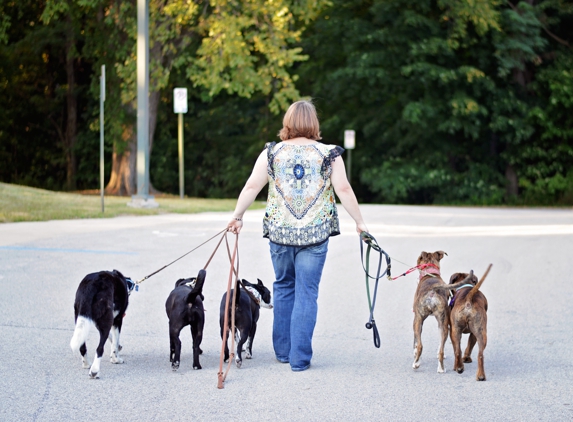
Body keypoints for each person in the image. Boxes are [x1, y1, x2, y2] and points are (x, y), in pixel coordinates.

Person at [227, 99, 368, 371]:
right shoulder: (329, 154)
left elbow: (251, 186)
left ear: (288, 122)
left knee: (283, 286)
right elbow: (344, 189)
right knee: (306, 292)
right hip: (314, 236)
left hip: (280, 235)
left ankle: (282, 352)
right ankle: (299, 359)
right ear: (314, 123)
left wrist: (237, 216)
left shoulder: (271, 152)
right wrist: (359, 222)